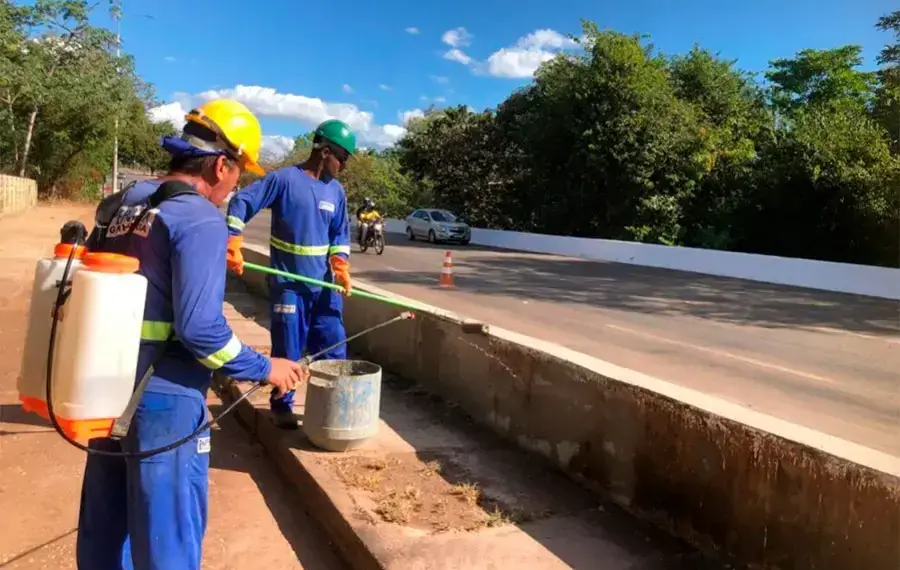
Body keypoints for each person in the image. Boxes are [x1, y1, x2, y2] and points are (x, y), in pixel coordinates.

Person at [76, 98, 308, 570]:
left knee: (107, 518)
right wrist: (266, 367)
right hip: (167, 393)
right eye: (238, 171)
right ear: (221, 164)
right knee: (168, 532)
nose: (236, 184)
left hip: (103, 384)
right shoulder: (201, 219)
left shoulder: (126, 203)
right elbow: (202, 330)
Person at [224, 119, 355, 429]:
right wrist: (234, 240)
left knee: (334, 346)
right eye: (343, 158)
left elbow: (340, 235)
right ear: (325, 152)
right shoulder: (283, 180)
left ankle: (332, 411)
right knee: (289, 350)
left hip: (323, 287)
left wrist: (340, 267)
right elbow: (243, 201)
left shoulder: (336, 192)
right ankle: (282, 404)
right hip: (289, 286)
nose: (345, 166)